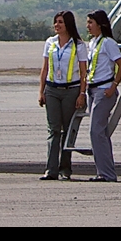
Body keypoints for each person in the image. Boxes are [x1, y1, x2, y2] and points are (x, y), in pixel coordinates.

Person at [38, 10, 89, 180]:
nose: (56, 25)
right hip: (52, 90)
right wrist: (41, 91)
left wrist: (82, 93)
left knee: (67, 130)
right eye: (55, 22)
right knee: (54, 130)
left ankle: (65, 168)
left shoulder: (79, 45)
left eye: (60, 22)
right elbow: (45, 68)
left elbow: (83, 72)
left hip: (71, 90)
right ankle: (50, 169)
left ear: (68, 24)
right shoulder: (50, 42)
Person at [83, 9, 121, 183]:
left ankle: (107, 173)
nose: (88, 26)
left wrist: (114, 85)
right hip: (92, 90)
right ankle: (104, 171)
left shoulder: (108, 43)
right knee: (100, 133)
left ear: (100, 25)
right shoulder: (92, 43)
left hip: (104, 90)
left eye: (91, 23)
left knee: (96, 131)